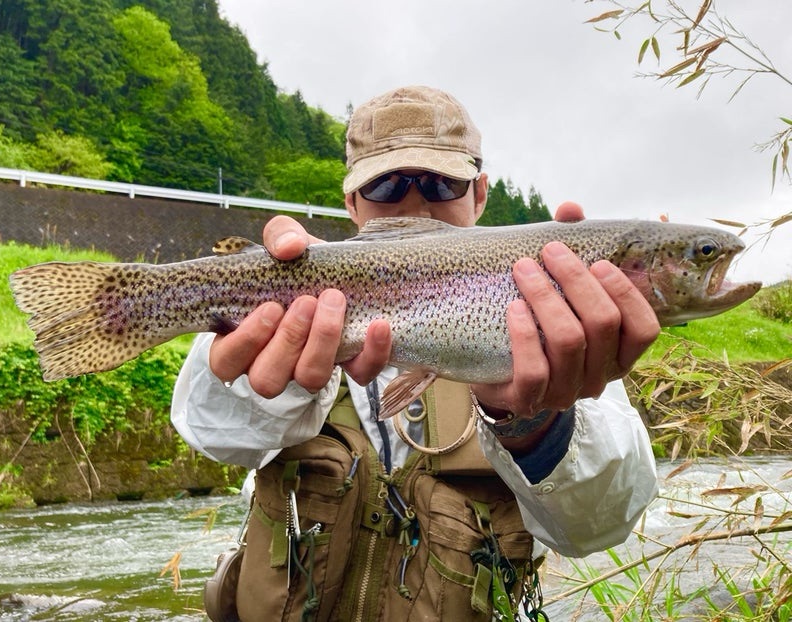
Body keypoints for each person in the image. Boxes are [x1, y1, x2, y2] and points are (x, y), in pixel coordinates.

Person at [172, 85, 661, 621]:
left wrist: (537, 421)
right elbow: (210, 432)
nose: (416, 201)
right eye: (385, 184)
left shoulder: (556, 318)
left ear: (479, 194)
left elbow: (600, 525)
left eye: (439, 181)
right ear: (351, 202)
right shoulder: (297, 289)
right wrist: (280, 372)